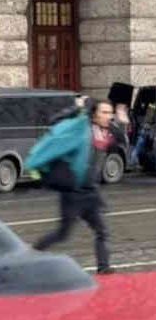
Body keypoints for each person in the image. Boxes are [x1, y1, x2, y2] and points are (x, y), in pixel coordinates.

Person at [26, 99, 121, 275]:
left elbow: (120, 141)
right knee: (63, 234)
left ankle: (103, 268)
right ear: (94, 114)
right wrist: (75, 108)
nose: (109, 116)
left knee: (102, 231)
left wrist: (123, 121)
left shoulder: (105, 132)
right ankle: (31, 252)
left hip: (90, 193)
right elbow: (55, 122)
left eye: (110, 112)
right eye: (104, 112)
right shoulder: (80, 128)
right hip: (73, 194)